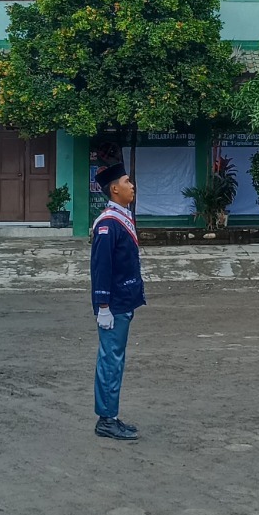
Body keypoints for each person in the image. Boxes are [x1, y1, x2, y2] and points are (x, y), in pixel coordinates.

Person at [89, 162, 144, 441]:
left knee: (115, 359)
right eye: (127, 181)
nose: (131, 185)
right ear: (114, 189)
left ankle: (110, 415)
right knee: (111, 360)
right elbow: (102, 269)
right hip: (114, 305)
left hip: (123, 301)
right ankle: (107, 420)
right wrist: (103, 308)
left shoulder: (122, 217)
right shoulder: (108, 225)